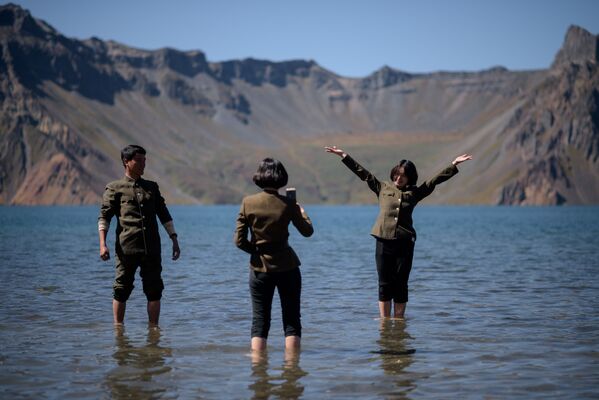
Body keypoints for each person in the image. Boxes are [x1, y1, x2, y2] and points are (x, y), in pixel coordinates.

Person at [325, 145, 472, 319]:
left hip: (404, 243)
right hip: (383, 241)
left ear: (410, 177)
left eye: (403, 175)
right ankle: (385, 322)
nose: (399, 177)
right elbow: (362, 173)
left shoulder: (415, 193)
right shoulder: (382, 187)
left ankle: (399, 322)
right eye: (397, 173)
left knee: (401, 284)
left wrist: (454, 165)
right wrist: (344, 155)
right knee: (384, 284)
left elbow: (434, 181)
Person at [234, 158, 314, 352]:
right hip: (288, 266)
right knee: (291, 319)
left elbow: (239, 240)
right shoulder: (288, 204)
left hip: (259, 268)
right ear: (281, 178)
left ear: (260, 176)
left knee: (260, 320)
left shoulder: (248, 202)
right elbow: (307, 231)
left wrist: (257, 251)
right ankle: (292, 369)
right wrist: (301, 212)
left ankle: (258, 369)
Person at [98, 145, 180, 325]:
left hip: (151, 249)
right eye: (139, 160)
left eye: (145, 160)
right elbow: (105, 217)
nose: (144, 164)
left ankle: (153, 331)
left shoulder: (152, 187)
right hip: (127, 249)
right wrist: (103, 244)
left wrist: (174, 238)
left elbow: (164, 214)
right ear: (126, 162)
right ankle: (118, 329)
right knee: (121, 289)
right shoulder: (114, 188)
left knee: (155, 290)